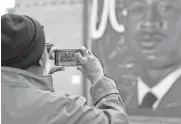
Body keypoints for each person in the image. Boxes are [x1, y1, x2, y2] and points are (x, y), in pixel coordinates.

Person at [1, 14, 129, 124]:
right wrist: (98, 78)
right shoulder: (60, 107)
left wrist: (37, 82)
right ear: (40, 60)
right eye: (45, 48)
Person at [120, 0, 181, 117]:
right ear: (125, 22)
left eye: (166, 9)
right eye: (137, 9)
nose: (149, 23)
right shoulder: (117, 99)